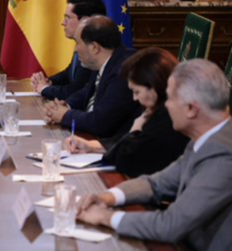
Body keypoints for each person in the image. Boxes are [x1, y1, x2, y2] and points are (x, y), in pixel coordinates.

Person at [77, 59, 232, 251]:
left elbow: (171, 224)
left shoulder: (225, 155)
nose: (166, 105)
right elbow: (157, 183)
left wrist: (104, 217)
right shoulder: (213, 135)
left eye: (171, 98)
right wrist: (106, 197)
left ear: (191, 109)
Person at [66, 48, 189, 177]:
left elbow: (125, 160)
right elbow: (122, 141)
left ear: (154, 87)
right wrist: (91, 146)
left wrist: (134, 131)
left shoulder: (169, 118)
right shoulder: (156, 109)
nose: (135, 98)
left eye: (137, 91)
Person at [44, 16, 140, 139]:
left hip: (112, 144)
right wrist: (65, 106)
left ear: (94, 48)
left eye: (77, 43)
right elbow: (86, 92)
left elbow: (100, 122)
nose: (76, 49)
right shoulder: (106, 62)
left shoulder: (124, 71)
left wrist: (65, 115)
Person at [31, 0, 106, 101]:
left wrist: (45, 89)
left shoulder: (94, 50)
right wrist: (48, 81)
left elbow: (75, 89)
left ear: (85, 20)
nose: (63, 23)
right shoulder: (82, 45)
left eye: (68, 18)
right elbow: (70, 73)